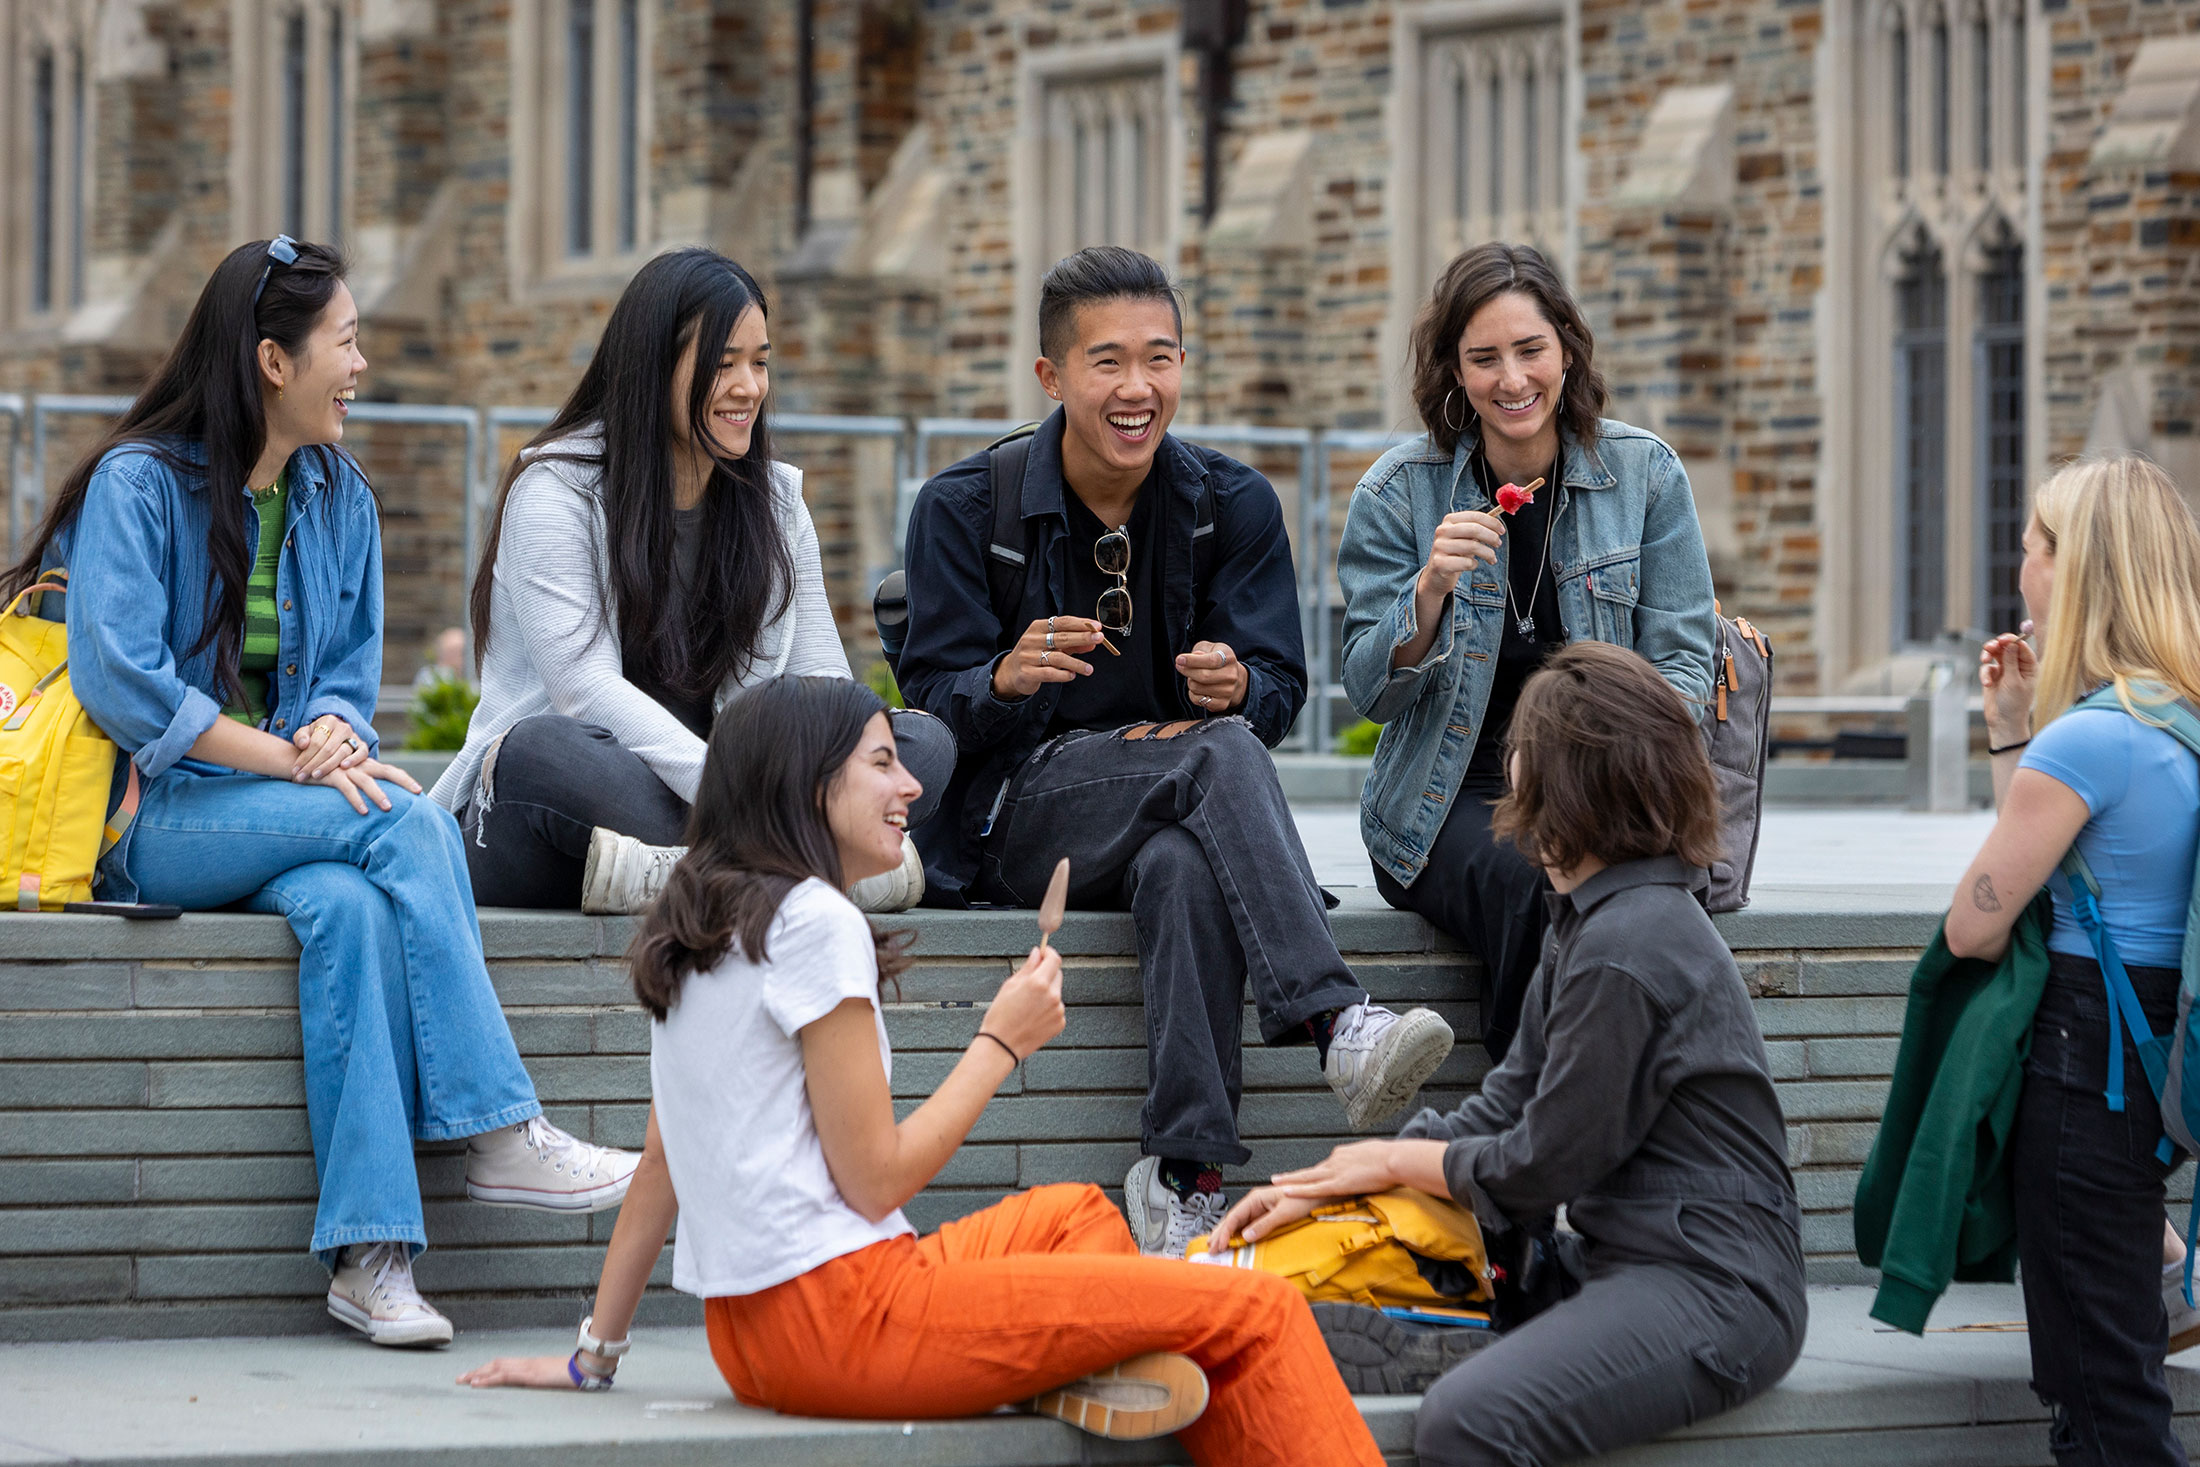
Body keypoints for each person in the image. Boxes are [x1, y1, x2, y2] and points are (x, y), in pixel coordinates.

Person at [456, 675, 1388, 1467]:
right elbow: (875, 1182)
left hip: (751, 1339)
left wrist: (595, 1354)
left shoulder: (706, 923)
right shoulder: (813, 923)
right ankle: (1070, 1359)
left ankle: (1079, 1361)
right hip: (850, 1320)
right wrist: (1000, 1042)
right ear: (807, 786)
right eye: (880, 761)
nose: (909, 782)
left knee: (1075, 1215)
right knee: (1256, 1312)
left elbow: (664, 1161)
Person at [0, 236, 636, 1348]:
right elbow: (118, 679)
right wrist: (295, 761)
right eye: (345, 340)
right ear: (271, 362)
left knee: (348, 910)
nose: (363, 364)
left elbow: (343, 673)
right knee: (405, 821)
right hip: (151, 816)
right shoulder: (140, 485)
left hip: (275, 819)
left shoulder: (339, 498)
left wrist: (334, 729)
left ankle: (370, 1256)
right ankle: (497, 1126)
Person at [894, 245, 1455, 1255]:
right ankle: (1336, 1025)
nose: (1137, 388)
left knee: (1186, 853)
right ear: (1051, 378)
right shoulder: (963, 508)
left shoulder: (1228, 504)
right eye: (1107, 362)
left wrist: (1242, 685)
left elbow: (1279, 689)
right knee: (1220, 755)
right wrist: (1002, 679)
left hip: (1174, 808)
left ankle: (1180, 1175)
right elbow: (928, 719)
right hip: (1020, 819)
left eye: (1161, 359)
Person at [1211, 643, 1805, 1467]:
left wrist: (1382, 1157)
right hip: (1617, 1256)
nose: (1508, 769)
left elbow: (1538, 1163)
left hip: (1713, 1286)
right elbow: (1501, 1105)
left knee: (1467, 1419)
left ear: (1575, 779)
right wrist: (1319, 1187)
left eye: (1524, 751)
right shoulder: (1588, 919)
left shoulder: (1630, 946)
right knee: (1359, 1278)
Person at [429, 247, 952, 915]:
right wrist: (747, 796)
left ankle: (689, 875)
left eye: (759, 363)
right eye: (722, 363)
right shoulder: (555, 489)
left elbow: (821, 682)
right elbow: (582, 688)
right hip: (591, 798)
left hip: (723, 801)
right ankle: (810, 866)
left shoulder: (777, 502)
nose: (748, 387)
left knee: (920, 746)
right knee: (545, 754)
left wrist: (848, 762)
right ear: (654, 366)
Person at [1335, 242, 1717, 1062]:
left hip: (1603, 784)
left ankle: (1597, 1129)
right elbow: (1368, 693)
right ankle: (1533, 1135)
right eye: (1484, 359)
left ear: (1568, 351)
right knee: (1539, 879)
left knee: (1634, 897)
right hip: (1444, 803)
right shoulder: (1399, 492)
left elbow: (1685, 667)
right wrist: (1428, 590)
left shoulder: (1645, 474)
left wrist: (1602, 764)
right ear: (1455, 374)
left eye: (1530, 349)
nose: (1511, 379)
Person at [1944, 454, 2200, 1466]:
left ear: (2074, 570)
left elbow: (1973, 924)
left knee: (2099, 1401)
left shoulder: (2089, 741)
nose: (2020, 573)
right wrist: (2015, 732)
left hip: (2084, 1060)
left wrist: (2026, 747)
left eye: (2029, 549)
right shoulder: (2174, 716)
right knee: (2116, 1363)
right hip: (2155, 1049)